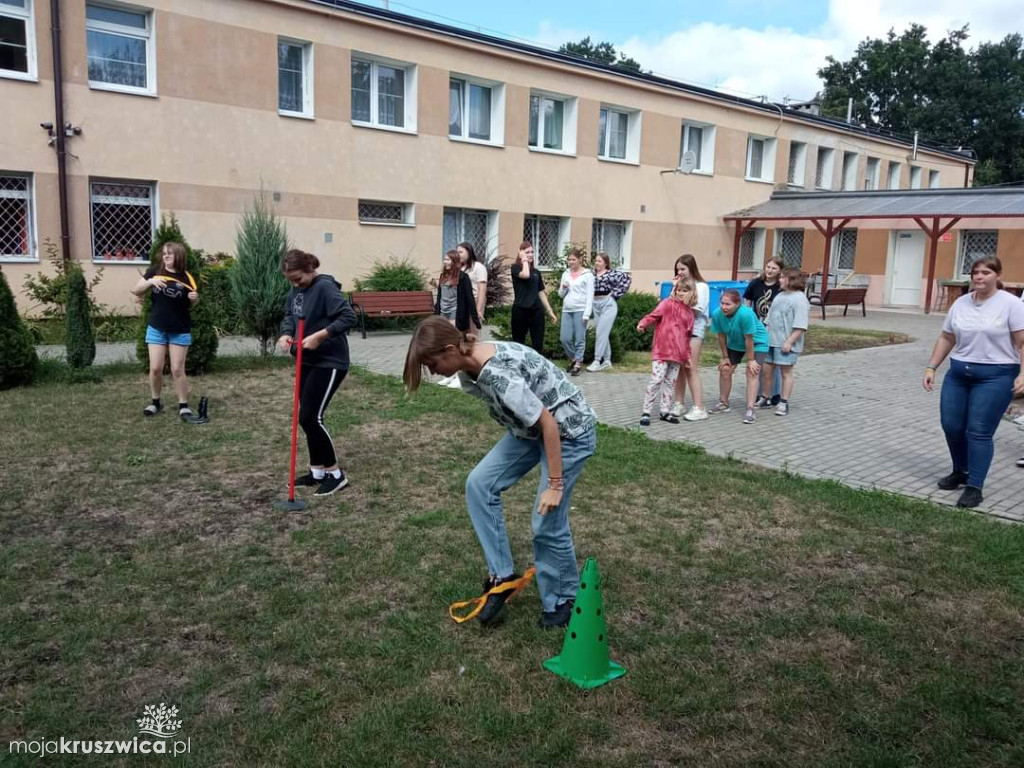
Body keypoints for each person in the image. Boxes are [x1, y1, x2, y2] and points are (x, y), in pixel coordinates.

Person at [403, 317, 598, 629]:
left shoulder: (496, 373)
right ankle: (502, 576)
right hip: (530, 431)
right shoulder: (470, 368)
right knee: (479, 485)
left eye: (432, 363)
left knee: (547, 521)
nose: (432, 371)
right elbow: (531, 417)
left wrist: (555, 485)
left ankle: (564, 599)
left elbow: (548, 422)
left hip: (568, 431)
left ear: (452, 349)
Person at [923, 257, 1024, 508]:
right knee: (952, 426)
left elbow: (1022, 342)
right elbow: (947, 337)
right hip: (958, 375)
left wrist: (1023, 374)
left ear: (997, 275)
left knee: (978, 431)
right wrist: (931, 366)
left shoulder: (1011, 304)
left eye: (986, 272)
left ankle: (974, 487)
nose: (979, 277)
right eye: (976, 273)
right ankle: (961, 471)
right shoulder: (960, 303)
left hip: (996, 376)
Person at [276, 249, 357, 497]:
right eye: (291, 280)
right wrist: (286, 332)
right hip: (305, 359)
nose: (295, 284)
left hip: (330, 360)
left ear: (310, 269)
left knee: (311, 417)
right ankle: (317, 471)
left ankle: (335, 474)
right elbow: (291, 314)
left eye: (298, 278)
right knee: (307, 417)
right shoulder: (296, 289)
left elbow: (348, 316)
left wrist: (321, 336)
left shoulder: (325, 288)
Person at [132, 242, 199, 419]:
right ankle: (156, 403)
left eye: (170, 253)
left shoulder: (187, 278)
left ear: (179, 256)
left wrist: (194, 298)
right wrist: (151, 282)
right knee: (155, 368)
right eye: (164, 254)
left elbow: (190, 303)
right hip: (156, 328)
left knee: (177, 370)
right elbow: (136, 290)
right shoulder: (155, 271)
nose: (166, 256)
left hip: (179, 329)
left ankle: (183, 405)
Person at [636, 278, 696, 426]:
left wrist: (687, 356)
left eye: (685, 290)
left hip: (677, 355)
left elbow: (687, 337)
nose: (681, 293)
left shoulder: (689, 314)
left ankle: (665, 411)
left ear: (692, 293)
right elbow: (653, 315)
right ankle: (646, 411)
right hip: (661, 351)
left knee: (670, 383)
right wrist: (643, 324)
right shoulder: (667, 304)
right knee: (657, 380)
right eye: (679, 290)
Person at [709, 289, 770, 424]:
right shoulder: (717, 314)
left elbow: (749, 338)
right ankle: (723, 403)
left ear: (737, 304)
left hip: (757, 343)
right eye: (722, 303)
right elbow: (721, 336)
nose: (724, 307)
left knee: (752, 371)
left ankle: (750, 409)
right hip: (736, 342)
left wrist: (751, 360)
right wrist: (725, 357)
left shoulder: (745, 314)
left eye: (728, 304)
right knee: (725, 369)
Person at [762, 268, 810, 417]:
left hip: (786, 343)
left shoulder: (800, 299)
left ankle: (783, 402)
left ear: (791, 280)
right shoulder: (780, 295)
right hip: (771, 340)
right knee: (766, 371)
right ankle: (765, 397)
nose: (780, 280)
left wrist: (789, 342)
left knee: (786, 373)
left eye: (783, 277)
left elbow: (801, 326)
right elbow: (769, 319)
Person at [670, 254, 710, 421]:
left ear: (691, 268)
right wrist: (674, 290)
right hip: (679, 331)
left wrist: (679, 301)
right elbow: (670, 306)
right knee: (679, 368)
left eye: (683, 269)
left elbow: (695, 309)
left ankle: (699, 407)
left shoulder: (701, 286)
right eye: (677, 269)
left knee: (690, 367)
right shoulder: (678, 287)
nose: (680, 272)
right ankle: (679, 403)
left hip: (694, 331)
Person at [745, 257, 784, 407]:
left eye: (774, 268)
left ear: (779, 270)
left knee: (775, 361)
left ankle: (775, 393)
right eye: (768, 267)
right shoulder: (756, 283)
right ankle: (759, 393)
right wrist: (749, 317)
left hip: (775, 327)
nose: (770, 270)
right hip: (758, 326)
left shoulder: (781, 286)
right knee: (759, 359)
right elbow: (748, 301)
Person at [588, 252, 632, 371]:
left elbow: (627, 278)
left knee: (601, 333)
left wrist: (614, 295)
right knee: (602, 332)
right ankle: (607, 360)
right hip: (595, 304)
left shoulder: (612, 274)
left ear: (606, 263)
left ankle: (597, 361)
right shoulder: (591, 274)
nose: (597, 263)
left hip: (608, 304)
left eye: (599, 261)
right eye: (596, 261)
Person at [510, 241, 557, 352]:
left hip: (536, 311)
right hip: (520, 310)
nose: (530, 254)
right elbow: (525, 275)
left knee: (538, 343)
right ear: (521, 254)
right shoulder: (515, 268)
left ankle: (537, 367)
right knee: (518, 343)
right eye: (527, 252)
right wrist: (524, 260)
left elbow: (541, 292)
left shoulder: (536, 272)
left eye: (532, 252)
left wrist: (550, 311)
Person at [558, 248, 594, 376]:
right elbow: (561, 295)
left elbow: (590, 296)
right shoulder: (565, 274)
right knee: (564, 338)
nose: (571, 262)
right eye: (569, 259)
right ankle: (574, 358)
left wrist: (587, 313)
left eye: (573, 259)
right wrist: (563, 287)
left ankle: (578, 363)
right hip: (567, 309)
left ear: (580, 260)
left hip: (580, 309)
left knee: (579, 338)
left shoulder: (588, 275)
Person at [434, 250, 481, 332]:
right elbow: (439, 296)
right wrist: (436, 311)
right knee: (443, 335)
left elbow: (470, 298)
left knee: (453, 334)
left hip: (455, 312)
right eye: (444, 259)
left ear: (455, 262)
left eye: (448, 260)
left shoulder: (463, 277)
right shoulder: (443, 276)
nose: (445, 262)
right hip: (442, 311)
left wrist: (475, 319)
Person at [458, 242, 488, 331]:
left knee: (473, 331)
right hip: (462, 302)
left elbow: (482, 289)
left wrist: (478, 310)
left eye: (461, 252)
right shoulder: (460, 268)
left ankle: (475, 345)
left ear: (469, 252)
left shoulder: (478, 267)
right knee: (462, 331)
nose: (458, 255)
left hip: (474, 301)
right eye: (457, 252)